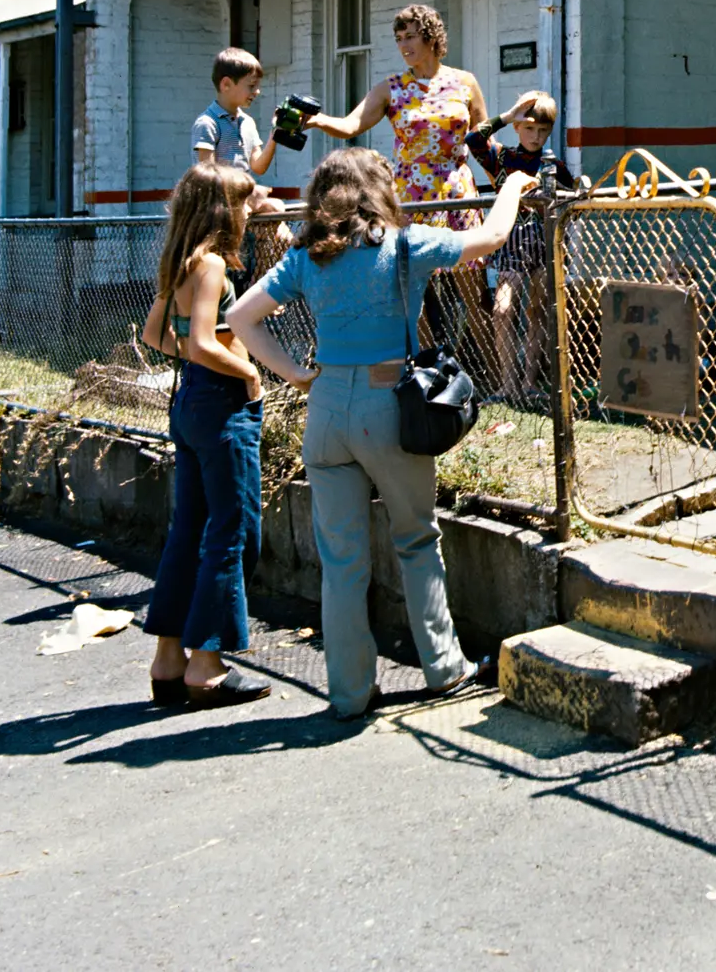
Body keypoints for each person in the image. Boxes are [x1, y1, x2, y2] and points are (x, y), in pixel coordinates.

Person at [229, 148, 536, 721]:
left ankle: (348, 694)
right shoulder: (405, 243)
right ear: (378, 190)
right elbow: (492, 238)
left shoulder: (306, 254)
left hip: (325, 412)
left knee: (341, 562)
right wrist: (514, 183)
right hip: (388, 408)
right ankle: (445, 669)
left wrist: (295, 373)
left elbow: (241, 318)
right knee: (416, 539)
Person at [141, 164, 293, 708]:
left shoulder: (182, 263)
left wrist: (204, 362)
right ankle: (206, 665)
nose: (253, 208)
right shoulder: (210, 267)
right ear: (223, 209)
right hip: (222, 407)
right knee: (233, 531)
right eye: (246, 201)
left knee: (190, 529)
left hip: (190, 404)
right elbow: (204, 341)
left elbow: (155, 333)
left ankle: (168, 660)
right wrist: (249, 372)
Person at [307, 3, 490, 366]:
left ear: (432, 38)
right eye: (399, 39)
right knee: (411, 284)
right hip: (410, 195)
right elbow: (350, 125)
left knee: (471, 282)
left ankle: (492, 372)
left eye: (411, 37)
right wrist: (315, 120)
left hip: (456, 193)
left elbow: (482, 139)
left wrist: (509, 176)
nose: (404, 45)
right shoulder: (391, 88)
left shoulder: (464, 82)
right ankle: (424, 365)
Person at [467, 91, 575, 397]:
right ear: (518, 128)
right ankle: (507, 384)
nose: (535, 136)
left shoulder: (553, 166)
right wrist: (509, 114)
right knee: (502, 310)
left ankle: (528, 383)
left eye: (542, 131)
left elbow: (573, 204)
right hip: (510, 243)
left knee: (536, 311)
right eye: (529, 128)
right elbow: (474, 139)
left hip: (542, 244)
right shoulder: (503, 158)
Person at [192, 47, 283, 215]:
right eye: (251, 86)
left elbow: (258, 166)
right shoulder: (208, 123)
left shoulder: (248, 122)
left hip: (242, 199)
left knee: (276, 208)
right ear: (226, 84)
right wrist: (246, 191)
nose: (257, 91)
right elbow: (208, 176)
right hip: (216, 206)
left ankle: (269, 241)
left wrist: (275, 133)